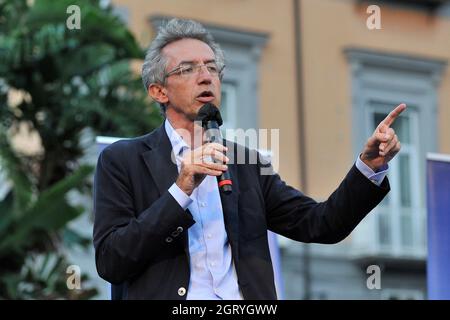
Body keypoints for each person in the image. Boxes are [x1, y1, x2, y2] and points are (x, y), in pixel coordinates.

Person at [93, 18, 405, 300]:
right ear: (159, 91)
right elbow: (112, 260)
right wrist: (181, 188)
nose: (205, 78)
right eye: (188, 69)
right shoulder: (122, 160)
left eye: (212, 68)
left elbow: (321, 224)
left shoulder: (247, 163)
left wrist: (369, 167)